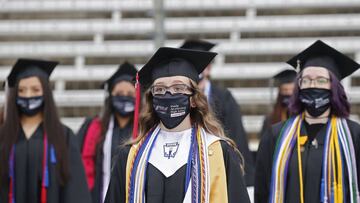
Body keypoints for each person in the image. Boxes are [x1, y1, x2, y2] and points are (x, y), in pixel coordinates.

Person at [105, 47, 250, 203]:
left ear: (194, 99)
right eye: (159, 89)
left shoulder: (218, 152)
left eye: (178, 88)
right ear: (152, 99)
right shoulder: (130, 157)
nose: (168, 94)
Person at [255, 40, 360, 203]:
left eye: (320, 80)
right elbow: (262, 191)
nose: (312, 85)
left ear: (334, 87)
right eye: (306, 80)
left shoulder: (354, 135)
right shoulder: (276, 135)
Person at [0, 58, 91, 203]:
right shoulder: (4, 136)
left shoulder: (63, 136)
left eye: (35, 89)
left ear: (46, 93)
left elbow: (75, 190)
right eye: (22, 90)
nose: (28, 95)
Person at [180, 39, 255, 186]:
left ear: (209, 68)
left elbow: (237, 139)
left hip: (220, 172)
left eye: (202, 64)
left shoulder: (224, 98)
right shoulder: (179, 100)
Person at [77, 62, 137, 203]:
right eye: (119, 94)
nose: (124, 97)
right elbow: (82, 167)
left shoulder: (146, 128)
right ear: (110, 96)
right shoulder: (93, 127)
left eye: (130, 94)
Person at [259, 69, 296, 138]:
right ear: (280, 92)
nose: (288, 93)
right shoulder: (271, 119)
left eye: (292, 90)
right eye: (285, 90)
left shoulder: (303, 116)